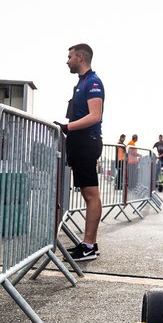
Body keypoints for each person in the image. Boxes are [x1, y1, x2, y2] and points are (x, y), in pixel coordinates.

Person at [61, 43, 104, 261]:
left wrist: (67, 127)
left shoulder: (93, 82)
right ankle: (88, 244)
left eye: (69, 56)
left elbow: (95, 116)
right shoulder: (82, 82)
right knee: (89, 195)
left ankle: (89, 246)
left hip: (87, 142)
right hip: (80, 143)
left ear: (80, 57)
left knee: (91, 195)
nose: (67, 60)